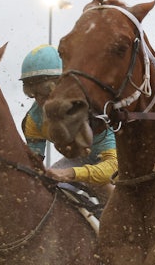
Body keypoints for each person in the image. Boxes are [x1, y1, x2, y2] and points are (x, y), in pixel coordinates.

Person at [19, 45, 117, 194]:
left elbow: (114, 167)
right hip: (80, 160)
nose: (40, 101)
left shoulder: (94, 109)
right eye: (33, 93)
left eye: (46, 91)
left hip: (121, 161)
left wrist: (71, 174)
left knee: (103, 187)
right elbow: (34, 168)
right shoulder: (33, 121)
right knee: (45, 186)